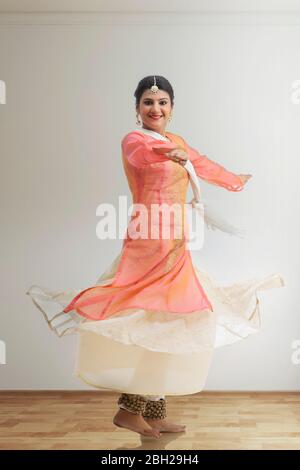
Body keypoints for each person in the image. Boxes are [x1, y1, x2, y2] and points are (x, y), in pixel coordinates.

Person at [26, 75, 284, 439]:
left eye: (163, 102)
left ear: (172, 108)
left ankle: (154, 413)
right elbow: (142, 157)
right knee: (151, 320)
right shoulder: (135, 140)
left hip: (176, 240)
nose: (156, 109)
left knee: (171, 323)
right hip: (149, 239)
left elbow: (201, 163)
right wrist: (168, 153)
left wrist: (233, 179)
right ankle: (129, 410)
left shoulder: (177, 141)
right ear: (137, 110)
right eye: (148, 102)